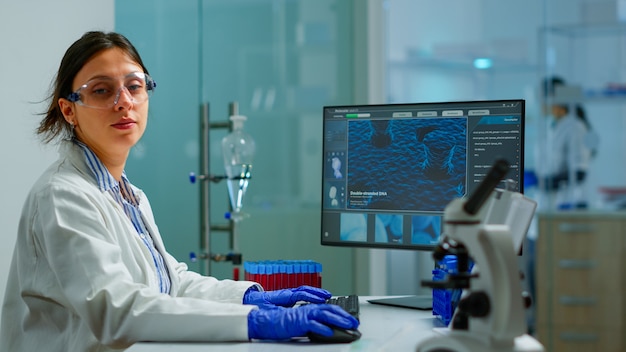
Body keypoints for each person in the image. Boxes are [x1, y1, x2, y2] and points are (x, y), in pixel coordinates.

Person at [0, 31, 358, 351]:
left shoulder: (128, 195)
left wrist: (254, 298)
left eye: (134, 86)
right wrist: (255, 322)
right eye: (101, 90)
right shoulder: (62, 196)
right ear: (69, 110)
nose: (123, 101)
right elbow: (118, 310)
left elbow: (171, 284)